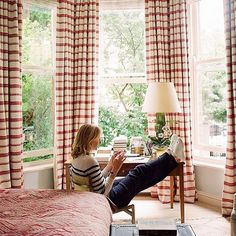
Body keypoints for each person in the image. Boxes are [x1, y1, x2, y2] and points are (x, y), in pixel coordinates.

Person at [70, 124, 184, 209]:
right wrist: (114, 170)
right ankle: (172, 157)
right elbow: (102, 193)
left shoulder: (77, 159)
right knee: (139, 172)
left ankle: (170, 157)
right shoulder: (90, 161)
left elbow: (96, 182)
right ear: (90, 140)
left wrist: (110, 165)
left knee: (139, 177)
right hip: (110, 200)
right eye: (97, 138)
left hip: (96, 197)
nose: (99, 140)